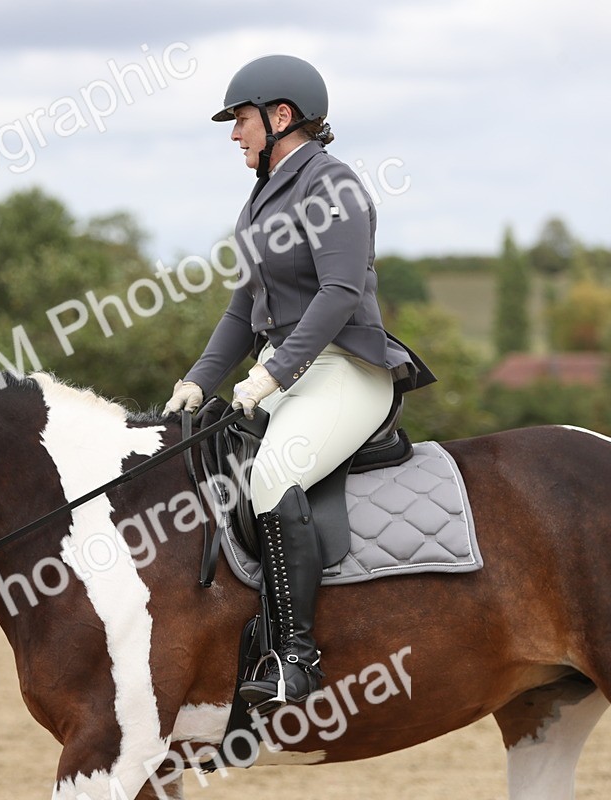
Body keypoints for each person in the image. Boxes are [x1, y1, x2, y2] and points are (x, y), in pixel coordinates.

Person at [162, 54, 436, 711]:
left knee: (273, 474)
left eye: (242, 120)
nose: (235, 133)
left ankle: (296, 661)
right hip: (288, 374)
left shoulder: (332, 185)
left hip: (347, 369)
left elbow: (339, 293)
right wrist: (198, 381)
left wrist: (272, 372)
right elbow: (242, 309)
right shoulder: (262, 197)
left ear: (281, 116)